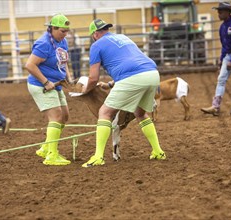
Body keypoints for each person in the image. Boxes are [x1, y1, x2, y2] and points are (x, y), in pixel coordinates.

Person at [81, 18, 166, 168]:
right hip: (152, 73)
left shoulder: (96, 45)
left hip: (133, 78)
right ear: (107, 29)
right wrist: (110, 84)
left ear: (94, 34)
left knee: (105, 112)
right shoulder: (123, 37)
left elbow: (93, 78)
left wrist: (84, 91)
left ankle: (98, 157)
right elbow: (132, 63)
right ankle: (158, 151)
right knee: (140, 113)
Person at [25, 14, 73, 166]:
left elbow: (64, 62)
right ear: (52, 28)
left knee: (64, 116)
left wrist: (68, 77)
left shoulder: (62, 41)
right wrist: (45, 82)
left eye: (67, 31)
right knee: (56, 116)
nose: (65, 34)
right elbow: (30, 65)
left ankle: (46, 147)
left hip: (56, 83)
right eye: (62, 31)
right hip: (41, 85)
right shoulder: (43, 44)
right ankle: (52, 155)